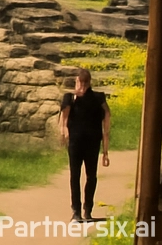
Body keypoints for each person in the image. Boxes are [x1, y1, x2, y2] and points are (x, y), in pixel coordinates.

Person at [60, 68, 111, 223]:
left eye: (84, 83)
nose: (81, 86)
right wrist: (63, 132)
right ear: (76, 81)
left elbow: (107, 117)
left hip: (92, 141)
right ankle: (76, 210)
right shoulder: (70, 98)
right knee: (75, 175)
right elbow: (64, 118)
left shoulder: (98, 98)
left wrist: (105, 150)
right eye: (79, 82)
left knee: (91, 176)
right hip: (75, 141)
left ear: (89, 83)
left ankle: (87, 210)